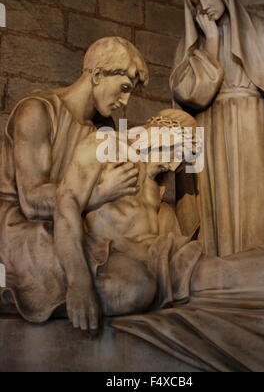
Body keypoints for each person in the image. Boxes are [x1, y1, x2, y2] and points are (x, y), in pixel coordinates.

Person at [0, 109, 202, 331]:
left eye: (182, 162)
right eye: (178, 152)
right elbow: (67, 204)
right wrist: (79, 283)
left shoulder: (157, 194)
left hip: (142, 264)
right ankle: (35, 300)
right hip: (101, 260)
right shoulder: (109, 147)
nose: (173, 166)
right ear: (163, 132)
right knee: (138, 287)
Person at [0, 37, 148, 318]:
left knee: (141, 275)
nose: (126, 101)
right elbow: (30, 201)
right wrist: (100, 193)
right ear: (97, 75)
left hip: (66, 227)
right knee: (128, 287)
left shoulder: (101, 130)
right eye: (125, 88)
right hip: (18, 229)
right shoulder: (38, 111)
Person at [170, 0, 264, 257]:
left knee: (258, 223)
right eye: (195, 2)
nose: (204, 7)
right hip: (210, 144)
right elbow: (194, 97)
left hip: (255, 140)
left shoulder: (262, 34)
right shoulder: (190, 49)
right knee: (218, 228)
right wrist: (212, 42)